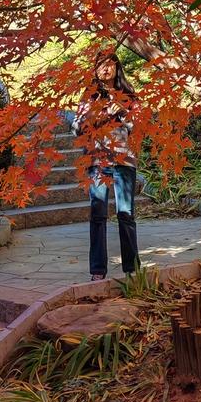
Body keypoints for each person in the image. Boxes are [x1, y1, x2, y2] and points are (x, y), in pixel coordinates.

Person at [77, 51, 140, 280]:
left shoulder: (128, 95)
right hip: (97, 160)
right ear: (95, 69)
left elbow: (140, 126)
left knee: (126, 214)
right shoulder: (89, 97)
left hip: (124, 160)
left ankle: (132, 269)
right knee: (98, 214)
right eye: (101, 64)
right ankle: (97, 270)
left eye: (110, 64)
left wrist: (122, 112)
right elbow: (75, 128)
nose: (106, 68)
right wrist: (93, 117)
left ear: (117, 68)